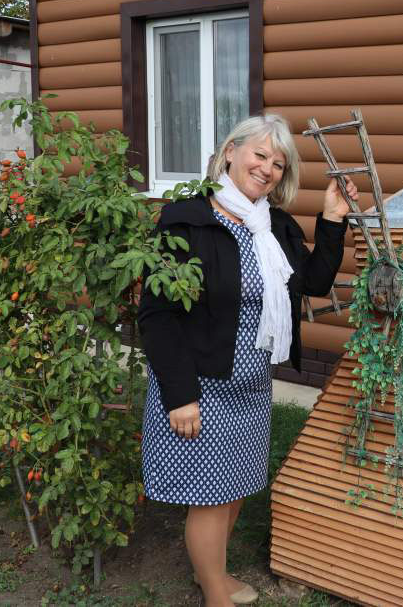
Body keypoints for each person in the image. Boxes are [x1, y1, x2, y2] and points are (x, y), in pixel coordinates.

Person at [137, 114, 357, 607]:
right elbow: (157, 315)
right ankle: (215, 593)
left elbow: (313, 282)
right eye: (260, 155)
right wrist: (180, 395)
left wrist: (332, 218)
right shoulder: (186, 220)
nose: (268, 169)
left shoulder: (273, 226)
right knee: (210, 499)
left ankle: (211, 573)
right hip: (202, 387)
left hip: (252, 387)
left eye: (278, 164)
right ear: (230, 152)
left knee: (232, 490)